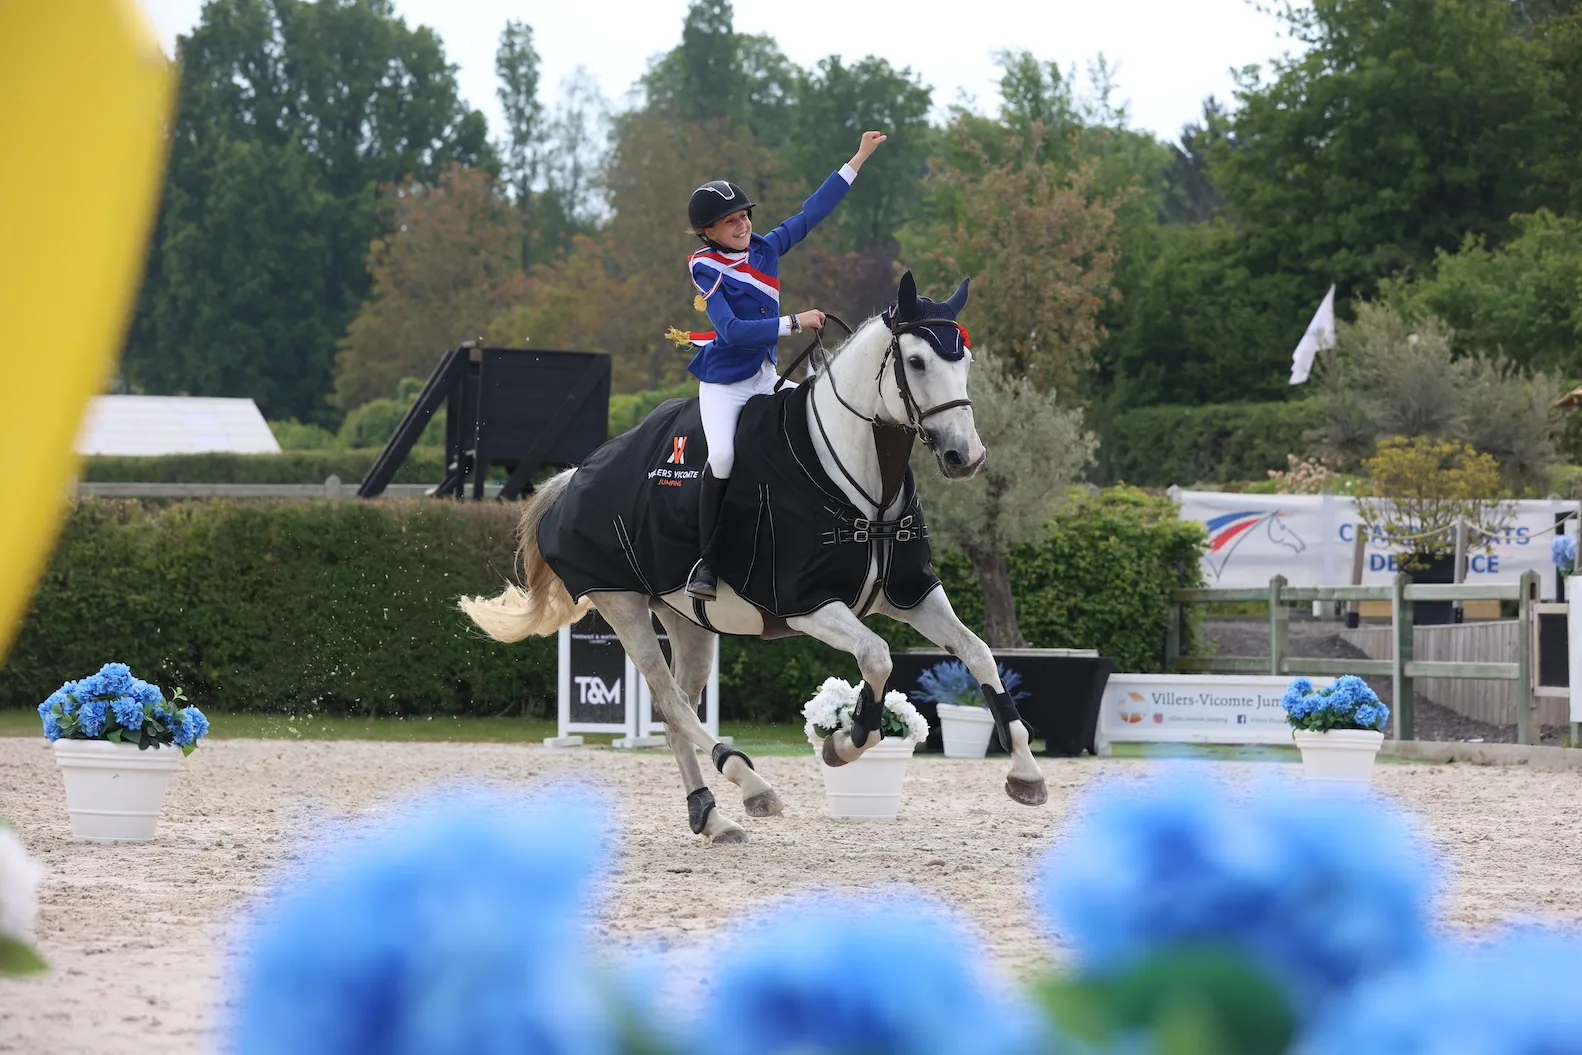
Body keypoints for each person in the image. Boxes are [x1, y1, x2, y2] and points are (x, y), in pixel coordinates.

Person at [677, 130, 887, 601]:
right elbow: (730, 331)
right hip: (726, 384)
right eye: (729, 222)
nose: (741, 226)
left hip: (766, 378)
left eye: (744, 216)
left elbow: (813, 212)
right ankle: (706, 562)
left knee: (821, 422)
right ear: (707, 232)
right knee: (725, 457)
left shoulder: (768, 249)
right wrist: (793, 321)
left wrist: (858, 158)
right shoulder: (706, 266)